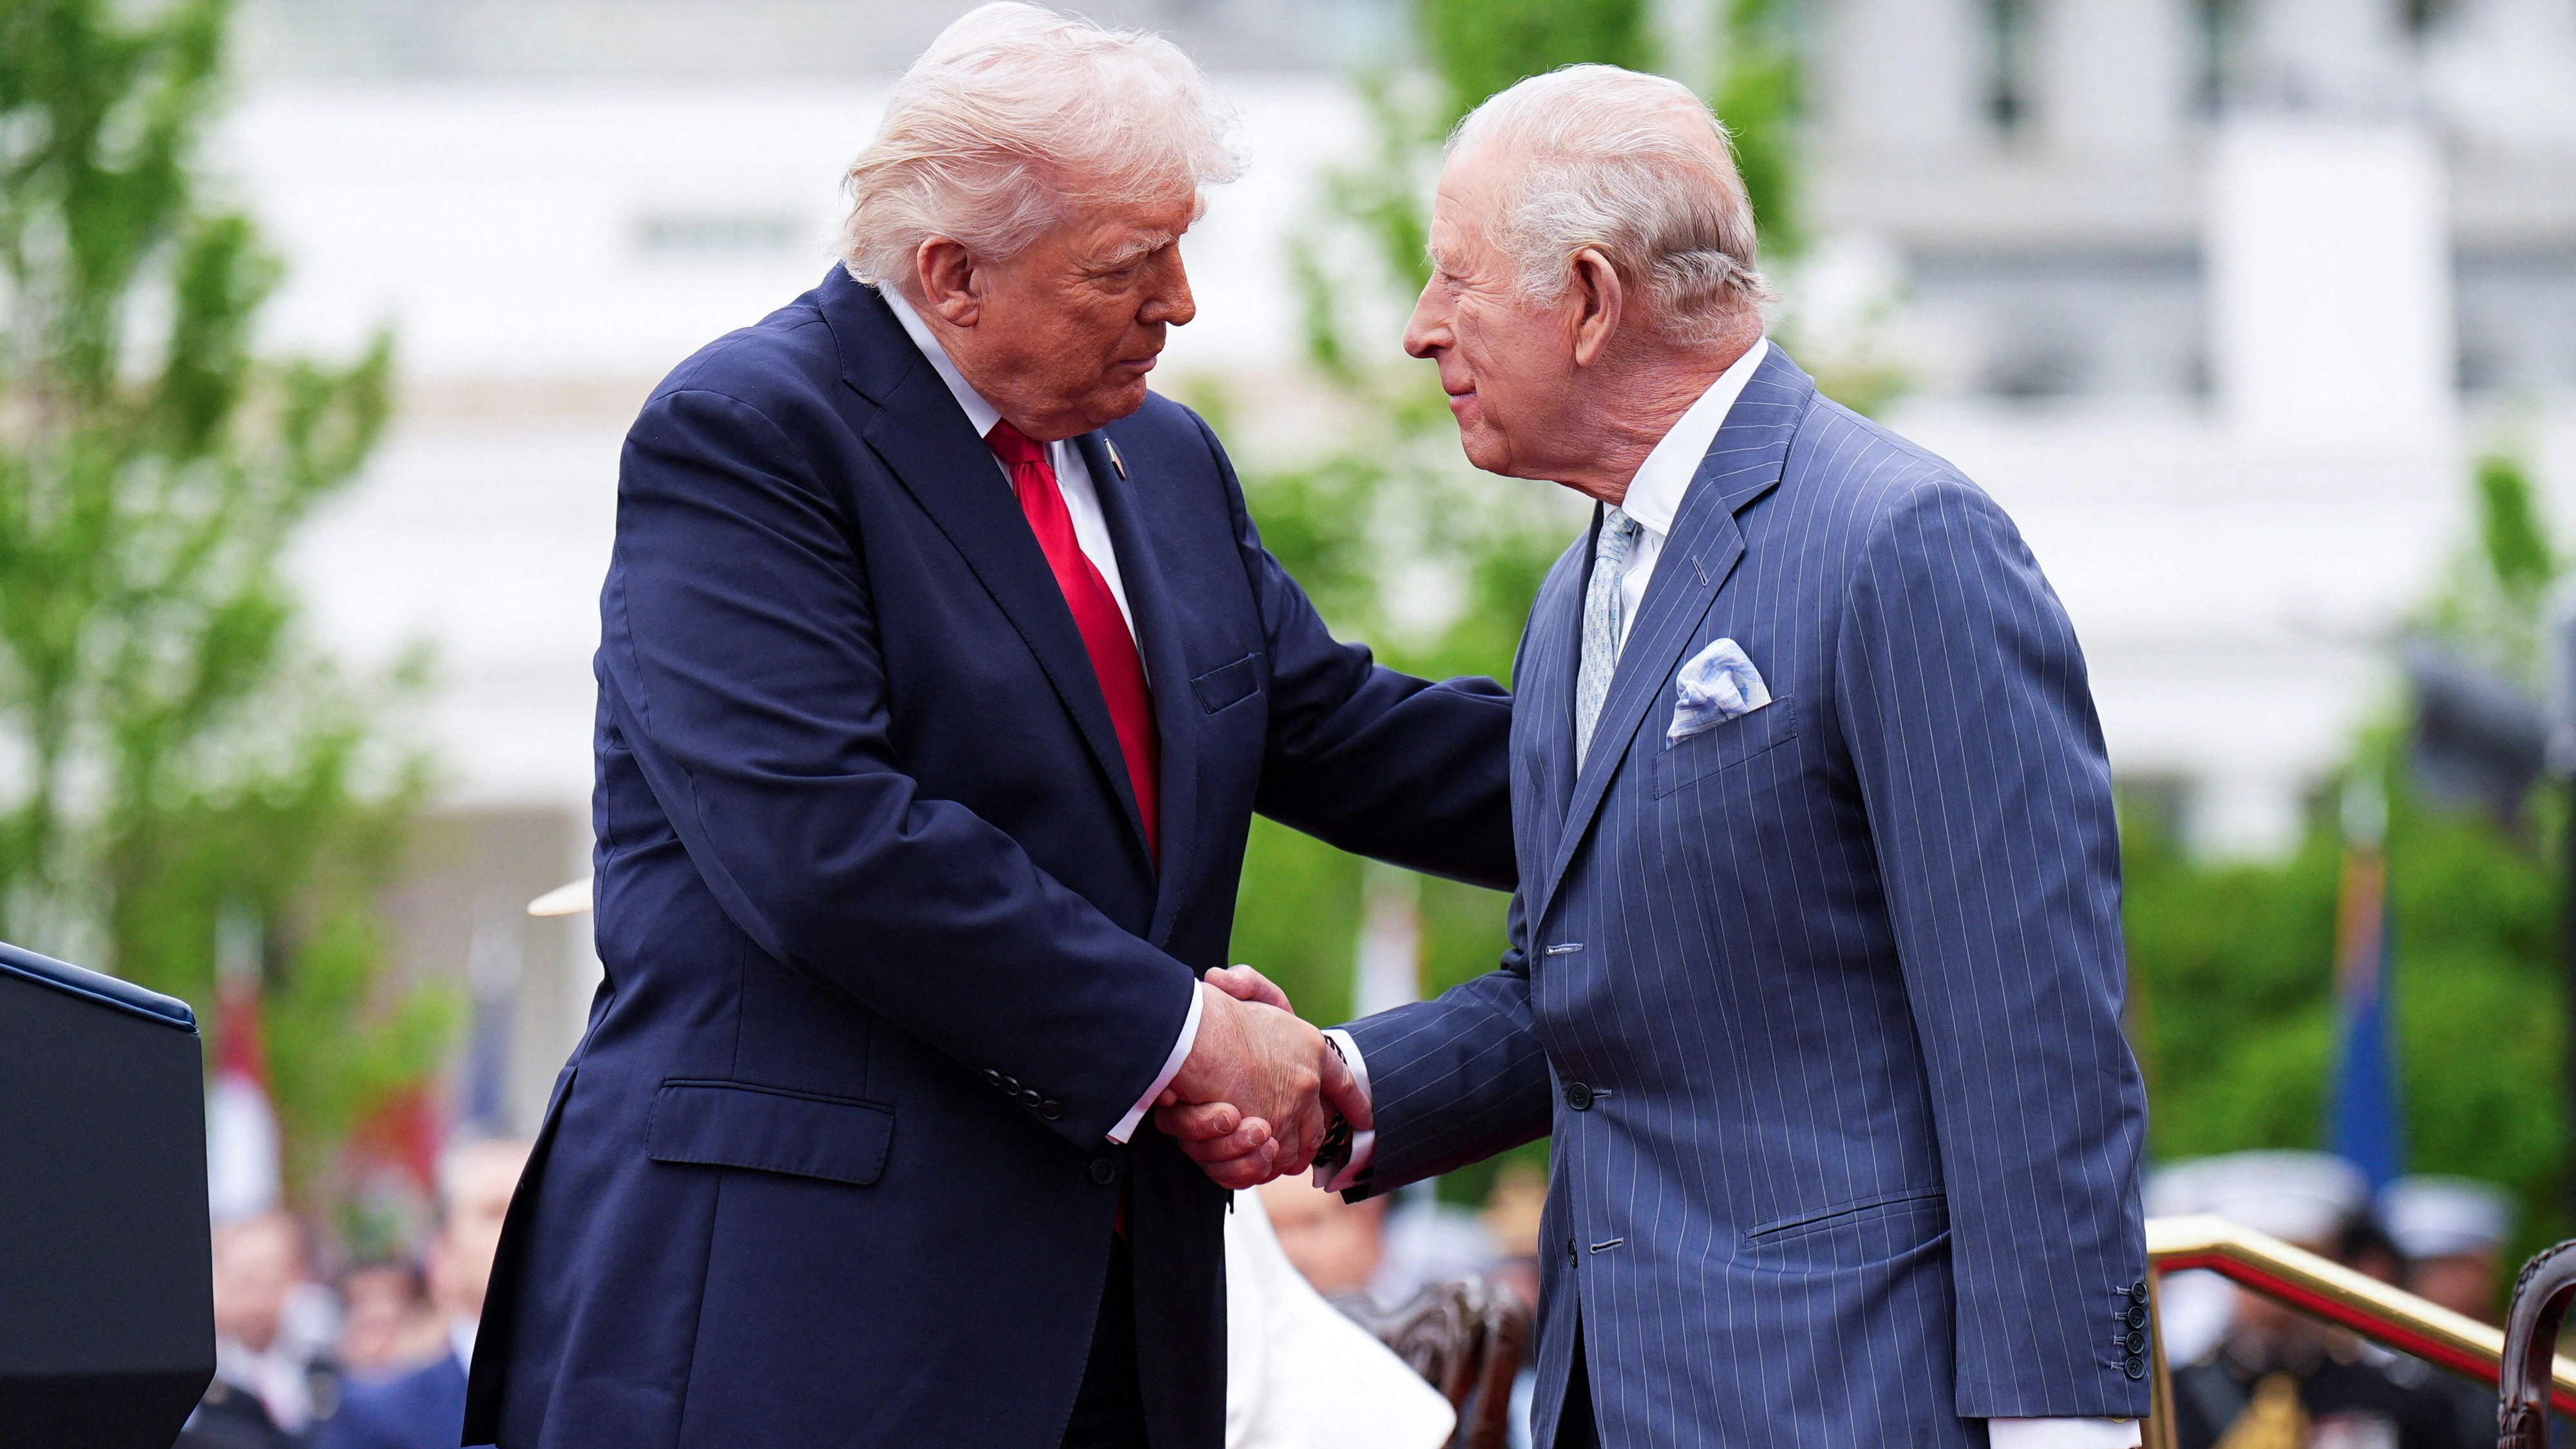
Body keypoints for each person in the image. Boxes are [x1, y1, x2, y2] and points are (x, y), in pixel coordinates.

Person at [462, 7, 1514, 1448]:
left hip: (1118, 1328)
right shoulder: (749, 436)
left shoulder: (1163, 459)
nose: (1182, 304)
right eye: (1128, 266)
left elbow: (1339, 732)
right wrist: (1188, 1040)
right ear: (951, 274)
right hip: (813, 1324)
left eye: (1180, 249)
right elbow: (831, 848)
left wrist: (1676, 772)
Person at [1170, 63, 2152, 1448]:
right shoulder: (1582, 588)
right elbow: (1575, 999)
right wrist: (1341, 1080)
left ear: (1585, 298)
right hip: (1608, 1399)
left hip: (1851, 1399)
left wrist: (2064, 1430)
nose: (1416, 331)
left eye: (1453, 279)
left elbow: (2033, 1043)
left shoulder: (1899, 543)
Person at [2169, 1151, 2472, 1449]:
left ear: (2331, 1263)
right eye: (2251, 1262)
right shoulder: (2174, 1397)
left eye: (2298, 1258)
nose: (2273, 1280)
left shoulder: (2391, 1397)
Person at [324, 1139, 530, 1449]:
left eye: (539, 1206)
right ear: (443, 1259)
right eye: (495, 1213)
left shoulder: (610, 1395)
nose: (524, 1226)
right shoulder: (378, 1418)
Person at [182, 1209, 336, 1449]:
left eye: (274, 1278)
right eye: (247, 1280)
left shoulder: (321, 1363)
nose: (259, 1297)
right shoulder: (199, 1382)